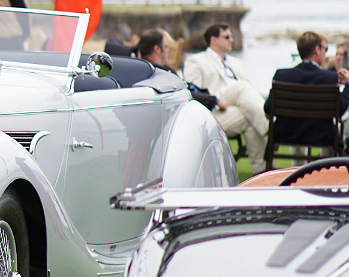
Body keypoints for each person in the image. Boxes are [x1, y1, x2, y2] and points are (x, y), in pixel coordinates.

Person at [183, 24, 269, 173]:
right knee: (241, 86)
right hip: (213, 108)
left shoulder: (236, 63)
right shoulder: (196, 61)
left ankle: (261, 171)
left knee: (249, 118)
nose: (231, 40)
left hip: (234, 108)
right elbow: (192, 92)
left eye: (231, 36)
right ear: (214, 40)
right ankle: (270, 128)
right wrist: (214, 99)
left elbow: (250, 96)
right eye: (227, 37)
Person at [265, 31, 349, 154]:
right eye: (325, 49)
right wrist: (347, 85)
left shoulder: (282, 75)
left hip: (286, 133)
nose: (325, 53)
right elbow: (341, 110)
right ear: (317, 50)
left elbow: (268, 109)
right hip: (322, 136)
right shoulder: (329, 78)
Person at [138, 29, 217, 110]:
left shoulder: (141, 70)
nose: (168, 50)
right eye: (166, 47)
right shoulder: (159, 73)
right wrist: (213, 100)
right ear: (157, 49)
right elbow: (183, 93)